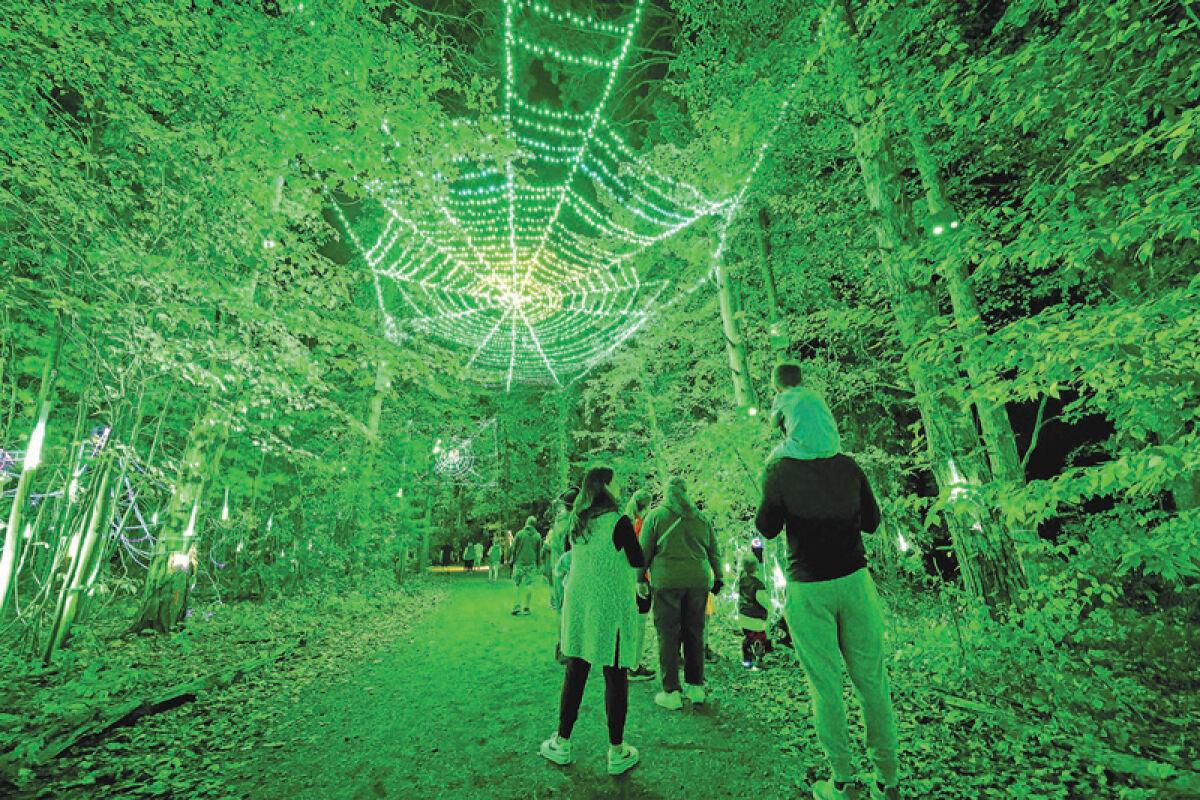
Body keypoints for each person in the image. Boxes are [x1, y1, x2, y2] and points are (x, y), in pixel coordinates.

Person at [756, 362, 901, 800]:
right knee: (872, 681)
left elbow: (766, 528)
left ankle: (842, 781)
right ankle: (888, 781)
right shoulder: (849, 466)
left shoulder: (779, 469)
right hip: (856, 581)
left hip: (809, 588)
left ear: (788, 424)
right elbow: (873, 524)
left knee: (826, 686)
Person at [540, 465, 644, 776]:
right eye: (615, 482)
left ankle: (562, 742)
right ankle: (616, 750)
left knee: (576, 671)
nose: (619, 486)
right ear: (605, 487)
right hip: (610, 609)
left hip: (580, 608)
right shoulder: (619, 522)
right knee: (614, 676)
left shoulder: (577, 522)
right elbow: (637, 559)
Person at [638, 477, 722, 710]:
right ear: (686, 493)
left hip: (666, 582)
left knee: (668, 634)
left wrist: (639, 579)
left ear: (667, 494)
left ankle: (671, 691)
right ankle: (696, 688)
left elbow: (644, 551)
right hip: (698, 581)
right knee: (695, 632)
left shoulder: (655, 517)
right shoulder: (701, 518)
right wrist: (720, 576)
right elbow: (714, 551)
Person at [767, 362, 840, 465]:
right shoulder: (814, 394)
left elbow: (773, 425)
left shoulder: (781, 398)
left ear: (777, 388)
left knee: (770, 462)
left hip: (803, 448)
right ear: (800, 381)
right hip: (832, 447)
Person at [623, 490, 655, 681]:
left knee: (629, 622)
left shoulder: (626, 521)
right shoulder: (644, 526)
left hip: (626, 578)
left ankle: (627, 661)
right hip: (641, 578)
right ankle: (634, 666)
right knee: (640, 624)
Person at [737, 553, 770, 670]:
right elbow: (762, 600)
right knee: (760, 639)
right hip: (756, 618)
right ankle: (760, 659)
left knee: (748, 638)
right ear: (756, 567)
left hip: (743, 616)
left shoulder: (741, 580)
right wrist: (770, 607)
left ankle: (747, 661)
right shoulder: (758, 585)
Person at [510, 516, 542, 615]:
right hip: (531, 564)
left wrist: (512, 560)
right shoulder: (537, 536)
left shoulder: (519, 534)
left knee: (516, 584)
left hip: (519, 563)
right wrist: (538, 564)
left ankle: (517, 605)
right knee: (529, 585)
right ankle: (527, 607)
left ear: (526, 522)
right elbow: (538, 552)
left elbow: (513, 549)